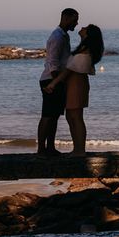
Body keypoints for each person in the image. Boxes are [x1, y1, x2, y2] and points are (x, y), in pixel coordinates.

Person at [44, 24, 103, 157]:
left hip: (77, 82)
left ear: (88, 34)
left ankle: (80, 150)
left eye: (85, 28)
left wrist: (54, 82)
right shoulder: (83, 47)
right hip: (72, 82)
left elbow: (70, 69)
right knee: (71, 117)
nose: (82, 27)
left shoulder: (86, 49)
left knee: (76, 117)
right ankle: (76, 149)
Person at [37, 8, 78, 158]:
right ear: (65, 19)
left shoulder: (64, 36)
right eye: (74, 20)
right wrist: (55, 83)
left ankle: (51, 148)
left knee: (54, 116)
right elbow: (52, 62)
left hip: (56, 80)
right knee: (47, 116)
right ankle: (41, 150)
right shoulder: (57, 37)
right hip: (50, 79)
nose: (76, 23)